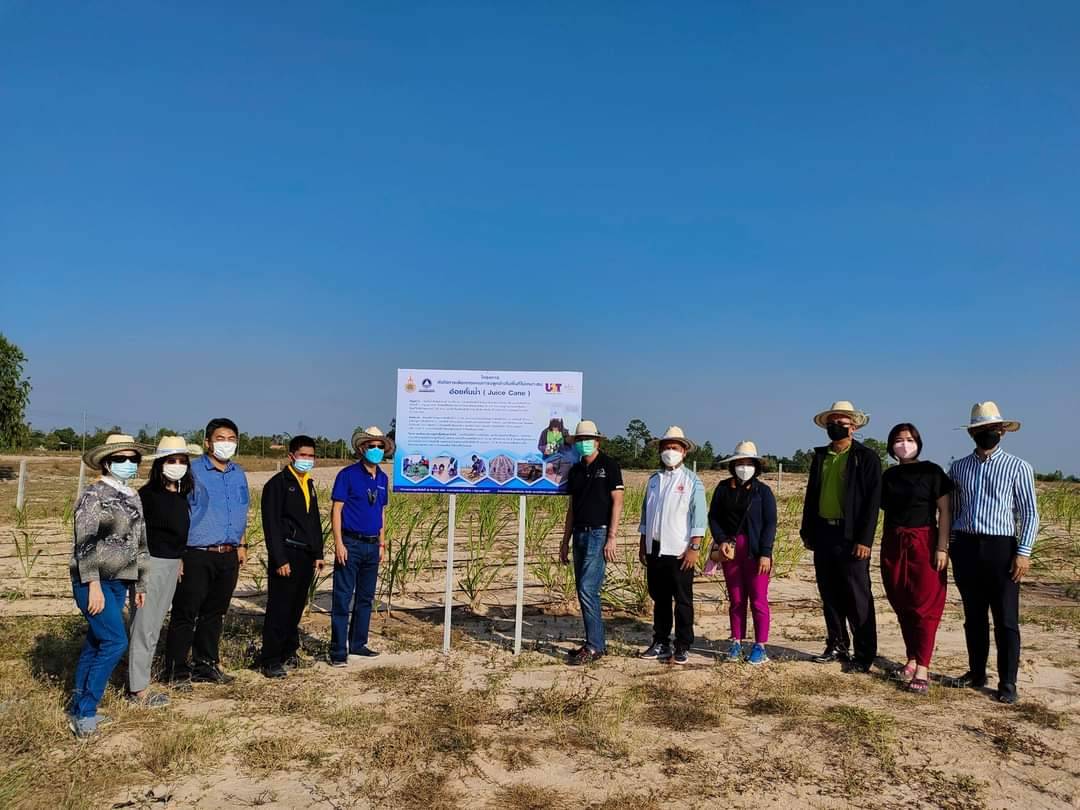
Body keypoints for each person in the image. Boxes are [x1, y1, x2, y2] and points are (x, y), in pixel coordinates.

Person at [948, 402, 1038, 705]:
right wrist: (951, 544)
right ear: (972, 433)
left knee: (1006, 619)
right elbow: (954, 509)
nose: (989, 433)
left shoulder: (1018, 467)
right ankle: (976, 673)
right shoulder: (959, 468)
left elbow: (1029, 513)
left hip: (1001, 548)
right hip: (966, 546)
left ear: (1003, 432)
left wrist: (1023, 552)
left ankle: (1008, 681)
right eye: (982, 429)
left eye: (994, 428)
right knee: (973, 616)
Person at [69, 434, 150, 737]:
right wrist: (93, 585)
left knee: (97, 642)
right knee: (116, 642)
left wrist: (140, 584)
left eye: (133, 459)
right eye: (120, 459)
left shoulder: (133, 496)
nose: (128, 463)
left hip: (120, 582)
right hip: (95, 582)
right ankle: (86, 711)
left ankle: (78, 705)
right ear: (106, 462)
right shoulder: (93, 496)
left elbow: (140, 542)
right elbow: (85, 542)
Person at [164, 418, 249, 685]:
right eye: (220, 438)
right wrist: (177, 554)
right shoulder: (192, 471)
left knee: (215, 613)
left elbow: (240, 510)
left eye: (231, 439)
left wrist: (242, 544)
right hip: (197, 553)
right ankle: (176, 670)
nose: (226, 444)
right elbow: (177, 513)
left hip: (228, 553)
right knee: (186, 612)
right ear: (207, 442)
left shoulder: (238, 474)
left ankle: (206, 664)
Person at [800, 401, 882, 673]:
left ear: (853, 427)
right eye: (831, 423)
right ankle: (836, 643)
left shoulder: (866, 457)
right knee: (830, 593)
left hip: (851, 536)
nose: (835, 427)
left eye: (841, 422)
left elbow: (872, 502)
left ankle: (864, 653)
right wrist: (807, 530)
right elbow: (812, 495)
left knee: (857, 596)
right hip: (824, 532)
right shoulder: (820, 457)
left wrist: (865, 540)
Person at [878, 423, 953, 694]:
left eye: (909, 439)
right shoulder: (889, 476)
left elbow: (945, 511)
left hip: (924, 541)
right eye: (898, 440)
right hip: (894, 542)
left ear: (918, 442)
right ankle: (911, 657)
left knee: (925, 605)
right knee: (902, 601)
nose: (904, 444)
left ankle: (923, 666)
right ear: (891, 446)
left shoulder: (932, 472)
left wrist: (942, 547)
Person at [128, 436, 196, 707]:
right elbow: (138, 538)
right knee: (143, 626)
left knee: (155, 624)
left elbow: (177, 536)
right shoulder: (147, 496)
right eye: (171, 460)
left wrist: (179, 560)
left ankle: (142, 679)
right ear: (160, 464)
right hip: (151, 564)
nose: (177, 465)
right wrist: (141, 576)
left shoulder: (180, 496)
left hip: (171, 564)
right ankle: (137, 690)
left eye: (181, 461)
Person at [637, 426, 707, 665]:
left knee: (683, 600)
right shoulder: (653, 480)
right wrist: (643, 543)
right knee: (660, 598)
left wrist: (694, 547)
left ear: (684, 451)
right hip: (655, 548)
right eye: (666, 447)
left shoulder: (692, 481)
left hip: (680, 550)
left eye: (675, 448)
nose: (670, 452)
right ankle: (661, 641)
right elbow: (646, 513)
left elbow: (699, 517)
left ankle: (683, 644)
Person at [259, 435, 326, 678]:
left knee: (296, 605)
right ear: (291, 456)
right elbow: (271, 525)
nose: (307, 460)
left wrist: (318, 552)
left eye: (311, 456)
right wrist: (280, 559)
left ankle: (289, 651)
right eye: (303, 455)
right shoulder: (277, 484)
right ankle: (270, 659)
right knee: (280, 607)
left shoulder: (308, 483)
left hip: (305, 554)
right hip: (287, 552)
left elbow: (313, 521)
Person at [559, 420, 625, 665]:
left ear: (597, 441)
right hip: (579, 533)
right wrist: (565, 540)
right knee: (582, 588)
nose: (584, 443)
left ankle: (595, 646)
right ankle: (593, 642)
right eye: (580, 440)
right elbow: (572, 508)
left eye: (588, 439)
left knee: (588, 588)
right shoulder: (576, 470)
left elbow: (618, 501)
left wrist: (612, 537)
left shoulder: (609, 466)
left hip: (599, 533)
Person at [708, 441, 777, 666]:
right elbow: (714, 517)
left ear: (756, 466)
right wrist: (721, 540)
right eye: (740, 463)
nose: (744, 467)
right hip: (730, 551)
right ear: (733, 465)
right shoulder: (723, 488)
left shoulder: (763, 492)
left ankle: (760, 646)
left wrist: (765, 553)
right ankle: (736, 642)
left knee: (758, 600)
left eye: (749, 463)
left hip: (756, 552)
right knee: (736, 599)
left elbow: (770, 524)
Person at [329, 426, 391, 666]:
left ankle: (358, 644)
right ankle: (338, 651)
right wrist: (338, 543)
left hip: (372, 545)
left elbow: (381, 512)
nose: (376, 450)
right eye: (371, 446)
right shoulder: (347, 475)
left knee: (365, 598)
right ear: (362, 448)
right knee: (342, 598)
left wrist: (382, 543)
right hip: (350, 543)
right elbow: (337, 510)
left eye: (379, 446)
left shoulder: (383, 478)